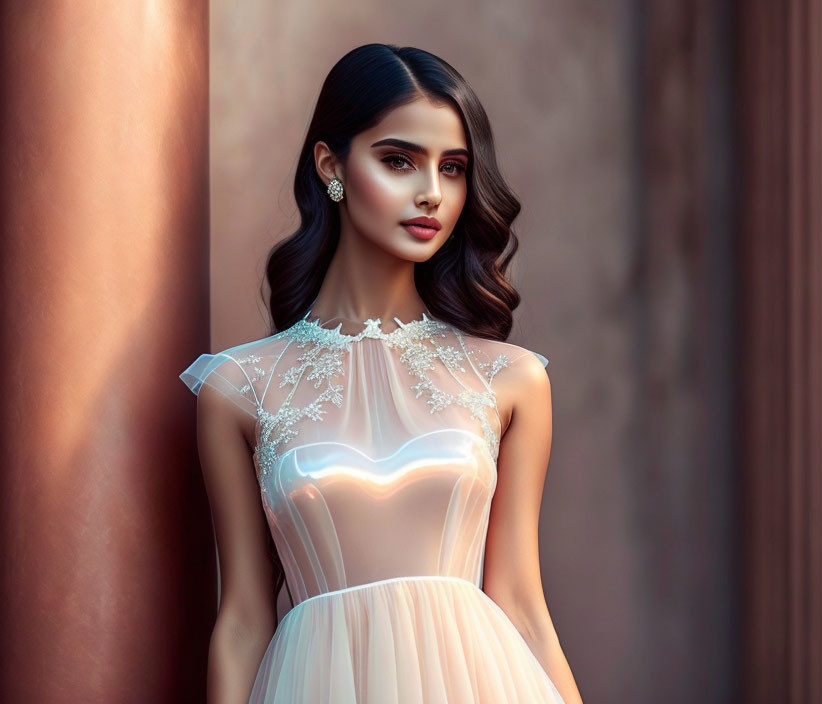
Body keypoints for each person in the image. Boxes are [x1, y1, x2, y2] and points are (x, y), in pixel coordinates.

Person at [180, 43, 582, 704]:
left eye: (452, 169)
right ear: (331, 166)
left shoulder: (511, 381)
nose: (431, 193)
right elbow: (245, 618)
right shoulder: (239, 389)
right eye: (399, 160)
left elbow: (521, 605)